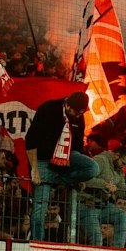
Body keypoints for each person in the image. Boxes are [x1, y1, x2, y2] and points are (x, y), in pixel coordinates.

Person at [25, 92, 98, 240]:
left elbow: (78, 147)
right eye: (76, 112)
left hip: (68, 158)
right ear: (68, 105)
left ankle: (58, 180)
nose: (78, 115)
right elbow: (31, 140)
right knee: (40, 208)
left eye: (81, 113)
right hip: (43, 161)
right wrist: (34, 170)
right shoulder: (48, 109)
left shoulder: (79, 117)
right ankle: (37, 243)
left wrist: (79, 177)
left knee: (93, 168)